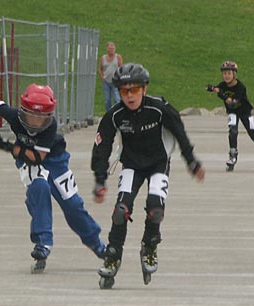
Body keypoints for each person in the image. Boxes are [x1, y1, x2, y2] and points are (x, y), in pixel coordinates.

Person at [0, 61, 106, 274]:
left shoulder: (50, 129)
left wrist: (5, 146)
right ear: (23, 110)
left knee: (72, 204)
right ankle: (43, 241)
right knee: (39, 189)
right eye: (31, 115)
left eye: (42, 118)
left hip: (53, 159)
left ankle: (97, 244)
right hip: (27, 159)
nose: (35, 122)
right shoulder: (13, 116)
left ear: (49, 117)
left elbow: (36, 157)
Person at [91, 62, 205, 288]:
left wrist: (191, 161)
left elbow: (179, 131)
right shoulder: (115, 115)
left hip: (157, 164)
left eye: (134, 90)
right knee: (120, 211)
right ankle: (113, 256)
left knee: (155, 210)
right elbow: (102, 148)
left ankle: (150, 246)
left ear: (144, 89)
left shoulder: (159, 108)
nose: (129, 96)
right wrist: (100, 180)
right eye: (124, 91)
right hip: (132, 165)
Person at [206, 61, 254, 171]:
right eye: (224, 74)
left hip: (245, 112)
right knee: (233, 131)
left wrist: (221, 94)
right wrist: (212, 88)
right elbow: (218, 89)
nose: (226, 76)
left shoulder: (241, 87)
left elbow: (232, 102)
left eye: (229, 73)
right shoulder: (223, 85)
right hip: (233, 112)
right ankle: (233, 156)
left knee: (253, 134)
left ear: (234, 74)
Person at [98, 41, 123, 111]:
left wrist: (120, 77)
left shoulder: (118, 57)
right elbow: (100, 69)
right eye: (110, 48)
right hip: (106, 81)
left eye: (113, 48)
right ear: (107, 49)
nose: (111, 50)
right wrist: (101, 76)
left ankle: (118, 112)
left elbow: (121, 68)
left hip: (115, 81)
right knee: (107, 100)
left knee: (117, 99)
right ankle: (108, 114)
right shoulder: (103, 58)